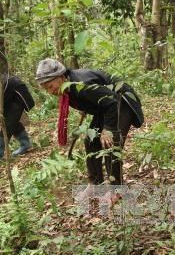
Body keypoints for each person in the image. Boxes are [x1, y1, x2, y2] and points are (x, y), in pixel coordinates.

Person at [35, 58, 144, 188]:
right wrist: (85, 106)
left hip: (120, 102)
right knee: (91, 141)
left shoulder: (83, 85)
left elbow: (112, 101)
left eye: (50, 86)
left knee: (110, 143)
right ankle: (95, 184)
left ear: (61, 77)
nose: (50, 92)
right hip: (105, 106)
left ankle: (116, 189)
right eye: (46, 89)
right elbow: (93, 99)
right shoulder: (68, 87)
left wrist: (108, 129)